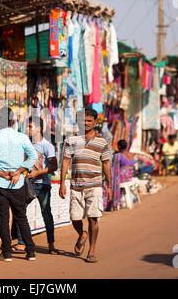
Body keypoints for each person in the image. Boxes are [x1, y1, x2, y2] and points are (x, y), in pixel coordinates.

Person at [0, 107, 38, 262]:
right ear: (13, 121)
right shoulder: (22, 137)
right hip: (18, 183)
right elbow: (33, 156)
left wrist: (1, 173)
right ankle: (31, 251)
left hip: (0, 183)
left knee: (3, 220)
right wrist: (19, 171)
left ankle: (6, 253)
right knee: (21, 217)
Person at [59, 108, 112, 263]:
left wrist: (109, 186)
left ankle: (92, 250)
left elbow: (106, 164)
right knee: (75, 218)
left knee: (93, 218)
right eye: (83, 120)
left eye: (89, 120)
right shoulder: (72, 140)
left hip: (94, 185)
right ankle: (82, 233)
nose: (86, 123)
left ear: (95, 122)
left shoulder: (102, 141)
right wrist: (62, 183)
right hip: (76, 185)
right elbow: (65, 161)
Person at [15, 117, 59, 254]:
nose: (27, 129)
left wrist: (38, 172)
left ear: (39, 129)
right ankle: (22, 242)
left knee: (46, 213)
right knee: (20, 211)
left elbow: (54, 166)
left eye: (30, 126)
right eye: (27, 127)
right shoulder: (24, 143)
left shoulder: (47, 146)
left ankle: (51, 244)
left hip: (42, 185)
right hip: (26, 184)